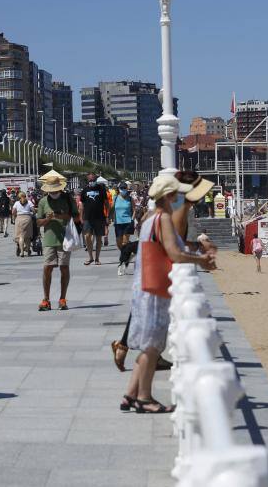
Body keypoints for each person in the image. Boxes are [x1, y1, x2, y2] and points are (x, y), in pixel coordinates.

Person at [122, 175, 215, 414]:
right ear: (168, 196)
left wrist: (193, 249)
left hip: (144, 286)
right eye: (176, 195)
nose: (178, 199)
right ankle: (144, 398)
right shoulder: (162, 218)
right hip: (155, 288)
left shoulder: (148, 218)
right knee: (152, 347)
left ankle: (130, 394)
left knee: (148, 346)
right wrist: (201, 260)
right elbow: (174, 253)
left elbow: (166, 246)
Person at [35, 175, 79, 311]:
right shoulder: (43, 201)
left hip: (65, 239)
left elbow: (77, 217)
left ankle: (62, 298)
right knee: (47, 268)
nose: (53, 193)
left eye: (55, 190)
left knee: (64, 268)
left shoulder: (67, 199)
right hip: (49, 239)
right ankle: (46, 299)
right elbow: (38, 222)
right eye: (51, 191)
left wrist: (60, 216)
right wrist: (47, 219)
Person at [82, 173, 108, 265]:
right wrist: (82, 217)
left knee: (99, 238)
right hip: (88, 218)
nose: (92, 182)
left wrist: (107, 215)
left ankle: (97, 258)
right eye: (90, 180)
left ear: (96, 180)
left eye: (93, 180)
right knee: (87, 236)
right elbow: (82, 204)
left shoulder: (101, 189)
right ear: (87, 180)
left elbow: (106, 203)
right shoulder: (85, 190)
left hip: (100, 217)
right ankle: (90, 257)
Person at [111, 182, 135, 251]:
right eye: (122, 188)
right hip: (118, 223)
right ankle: (125, 253)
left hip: (128, 222)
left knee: (125, 242)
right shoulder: (115, 198)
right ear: (119, 189)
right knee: (119, 242)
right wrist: (110, 218)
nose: (123, 190)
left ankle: (125, 257)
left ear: (127, 189)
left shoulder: (130, 199)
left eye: (125, 188)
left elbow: (134, 210)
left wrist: (132, 220)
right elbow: (111, 209)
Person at [12, 192, 35, 257]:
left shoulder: (16, 203)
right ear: (25, 196)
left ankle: (22, 252)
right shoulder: (29, 202)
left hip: (19, 219)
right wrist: (31, 213)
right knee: (27, 236)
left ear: (19, 197)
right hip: (27, 218)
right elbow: (33, 210)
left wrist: (15, 216)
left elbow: (13, 212)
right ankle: (27, 250)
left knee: (20, 236)